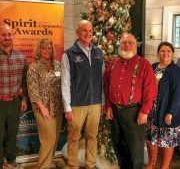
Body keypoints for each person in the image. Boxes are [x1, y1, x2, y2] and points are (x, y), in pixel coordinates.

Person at [103, 33, 157, 169]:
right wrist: (108, 106)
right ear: (119, 45)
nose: (127, 45)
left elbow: (150, 90)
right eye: (124, 43)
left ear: (135, 46)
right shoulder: (113, 64)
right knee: (118, 143)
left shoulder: (143, 64)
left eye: (130, 43)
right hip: (115, 111)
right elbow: (106, 85)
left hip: (134, 112)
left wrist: (144, 111)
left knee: (136, 147)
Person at [61, 20, 105, 169]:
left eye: (90, 31)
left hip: (95, 103)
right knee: (74, 137)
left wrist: (103, 101)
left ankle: (90, 165)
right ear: (77, 32)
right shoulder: (69, 54)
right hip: (77, 104)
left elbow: (102, 78)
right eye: (84, 30)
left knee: (92, 137)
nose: (88, 34)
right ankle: (72, 166)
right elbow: (65, 82)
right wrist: (67, 107)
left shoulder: (98, 52)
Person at [27, 38, 63, 169]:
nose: (47, 50)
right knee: (49, 138)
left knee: (55, 138)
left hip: (58, 108)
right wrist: (43, 108)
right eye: (44, 48)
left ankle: (49, 163)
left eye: (49, 48)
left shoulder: (58, 65)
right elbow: (33, 90)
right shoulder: (33, 67)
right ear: (39, 50)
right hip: (42, 108)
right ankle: (42, 166)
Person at [145, 42, 180, 169]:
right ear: (158, 53)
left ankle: (164, 166)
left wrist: (171, 112)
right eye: (162, 51)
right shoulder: (153, 67)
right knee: (151, 137)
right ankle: (151, 163)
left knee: (167, 139)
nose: (165, 53)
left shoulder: (175, 70)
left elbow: (178, 93)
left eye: (168, 51)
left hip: (167, 110)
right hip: (152, 109)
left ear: (172, 54)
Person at [0, 25, 28, 169]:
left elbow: (24, 81)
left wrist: (23, 99)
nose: (7, 37)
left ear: (13, 36)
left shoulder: (21, 57)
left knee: (12, 134)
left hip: (15, 103)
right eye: (3, 35)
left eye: (9, 34)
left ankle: (11, 161)